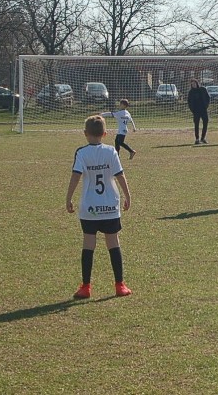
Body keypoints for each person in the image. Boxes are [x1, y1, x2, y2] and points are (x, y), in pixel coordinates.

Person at [66, 115, 133, 299]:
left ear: (85, 133)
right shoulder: (111, 151)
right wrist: (127, 195)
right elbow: (120, 175)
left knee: (89, 244)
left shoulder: (81, 152)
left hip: (89, 208)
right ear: (105, 133)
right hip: (110, 206)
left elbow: (75, 176)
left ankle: (86, 287)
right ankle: (120, 285)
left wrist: (69, 198)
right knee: (113, 243)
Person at [187, 79, 211, 144]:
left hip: (203, 110)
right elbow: (189, 102)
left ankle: (203, 138)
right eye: (192, 84)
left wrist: (206, 106)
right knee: (196, 124)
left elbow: (208, 98)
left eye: (194, 83)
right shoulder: (191, 92)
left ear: (197, 83)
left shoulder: (203, 89)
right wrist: (192, 110)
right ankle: (197, 139)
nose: (193, 85)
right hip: (196, 111)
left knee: (205, 123)